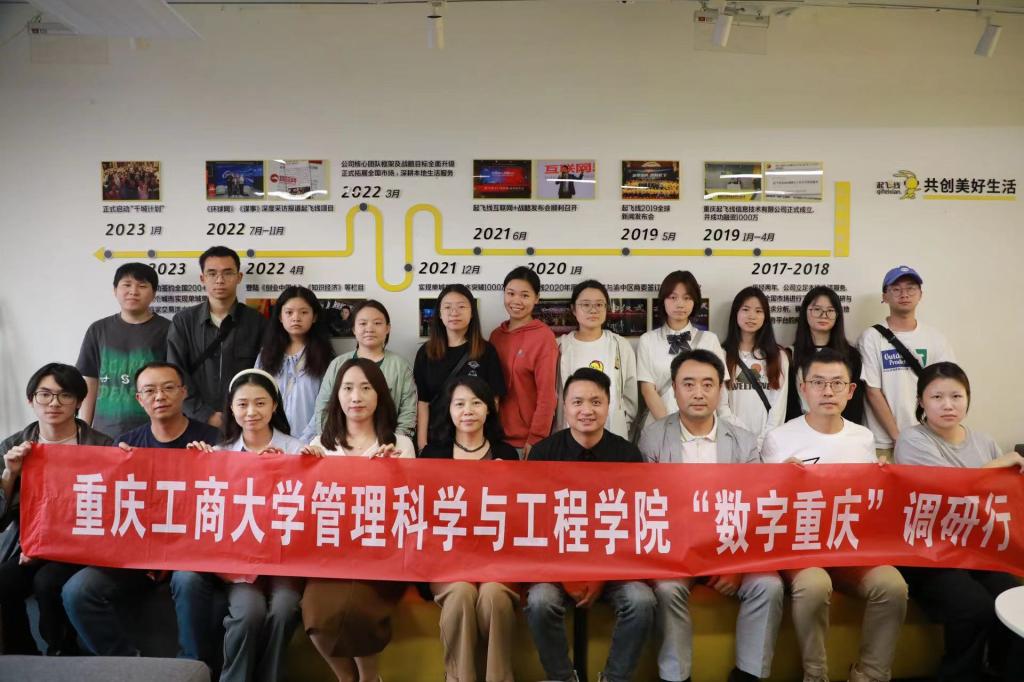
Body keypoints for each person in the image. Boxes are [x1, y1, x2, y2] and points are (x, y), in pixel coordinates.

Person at [762, 349, 908, 682]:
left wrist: (883, 479)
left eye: (837, 383)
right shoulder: (779, 439)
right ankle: (815, 675)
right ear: (803, 388)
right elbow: (766, 506)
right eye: (818, 382)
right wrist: (778, 480)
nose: (827, 391)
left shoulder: (863, 437)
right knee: (814, 586)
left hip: (849, 545)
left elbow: (870, 503)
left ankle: (870, 674)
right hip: (800, 547)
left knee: (892, 586)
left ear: (851, 390)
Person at [639, 349, 782, 682]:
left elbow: (754, 508)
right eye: (688, 384)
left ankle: (748, 675)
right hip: (676, 552)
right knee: (667, 590)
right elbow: (650, 508)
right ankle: (676, 677)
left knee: (769, 586)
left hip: (731, 547)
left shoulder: (743, 441)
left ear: (721, 389)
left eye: (708, 384)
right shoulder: (652, 438)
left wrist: (735, 565)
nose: (698, 393)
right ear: (675, 389)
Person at [61, 362, 220, 657]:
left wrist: (213, 463)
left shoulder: (213, 441)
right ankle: (130, 666)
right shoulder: (126, 446)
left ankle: (193, 668)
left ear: (183, 392)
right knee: (77, 591)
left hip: (191, 552)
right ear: (139, 398)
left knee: (187, 579)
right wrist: (114, 470)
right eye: (149, 390)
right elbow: (111, 509)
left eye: (168, 387)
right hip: (138, 555)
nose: (159, 396)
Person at [895, 362, 1024, 682]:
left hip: (977, 548)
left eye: (956, 396)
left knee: (1013, 600)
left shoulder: (983, 442)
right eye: (937, 397)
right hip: (928, 553)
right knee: (973, 607)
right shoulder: (912, 439)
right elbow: (948, 488)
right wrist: (1000, 463)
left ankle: (1001, 671)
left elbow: (997, 498)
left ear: (968, 398)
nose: (948, 405)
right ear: (921, 401)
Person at [526, 368, 656, 682]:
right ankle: (562, 678)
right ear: (565, 406)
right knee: (540, 602)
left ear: (609, 405)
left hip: (614, 566)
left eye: (596, 402)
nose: (587, 410)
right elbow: (533, 524)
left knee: (642, 601)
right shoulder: (543, 454)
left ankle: (614, 678)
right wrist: (564, 573)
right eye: (578, 402)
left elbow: (633, 525)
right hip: (555, 567)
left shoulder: (627, 455)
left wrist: (601, 574)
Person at [177, 369, 305, 682]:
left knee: (285, 608)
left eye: (260, 403)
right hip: (239, 564)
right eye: (242, 404)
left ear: (274, 406)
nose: (251, 412)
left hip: (285, 561)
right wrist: (197, 465)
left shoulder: (298, 450)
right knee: (249, 613)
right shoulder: (218, 454)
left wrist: (299, 466)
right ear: (231, 408)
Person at [300, 358, 411, 681]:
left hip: (380, 555)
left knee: (358, 609)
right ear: (337, 395)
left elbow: (409, 508)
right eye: (348, 388)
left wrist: (393, 472)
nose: (356, 397)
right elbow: (303, 508)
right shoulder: (320, 445)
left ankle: (369, 677)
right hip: (330, 557)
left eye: (365, 388)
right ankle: (346, 677)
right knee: (317, 615)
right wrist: (306, 471)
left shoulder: (399, 444)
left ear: (380, 395)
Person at [0, 364, 112, 655]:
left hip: (82, 545)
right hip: (30, 546)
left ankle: (62, 653)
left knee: (47, 582)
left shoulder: (102, 445)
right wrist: (10, 474)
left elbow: (110, 509)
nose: (54, 403)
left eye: (65, 395)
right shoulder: (13, 446)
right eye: (45, 394)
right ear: (31, 400)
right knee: (4, 581)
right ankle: (21, 655)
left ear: (79, 401)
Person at [419, 376, 518, 682]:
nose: (468, 411)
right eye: (459, 404)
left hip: (496, 559)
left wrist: (505, 482)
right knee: (461, 593)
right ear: (449, 410)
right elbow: (421, 513)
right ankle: (459, 677)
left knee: (494, 596)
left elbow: (519, 516)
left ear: (489, 409)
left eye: (476, 403)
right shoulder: (432, 455)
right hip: (447, 560)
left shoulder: (507, 454)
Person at [857, 265, 955, 460]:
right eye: (896, 289)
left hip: (928, 439)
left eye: (911, 288)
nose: (904, 294)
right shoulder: (871, 337)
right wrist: (898, 437)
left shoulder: (935, 338)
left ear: (920, 294)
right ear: (885, 296)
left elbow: (947, 388)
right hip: (883, 442)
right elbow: (872, 391)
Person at [167, 245, 267, 429]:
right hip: (192, 422)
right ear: (202, 278)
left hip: (244, 422)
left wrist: (243, 412)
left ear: (239, 277)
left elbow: (264, 373)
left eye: (228, 273)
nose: (220, 280)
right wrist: (205, 415)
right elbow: (175, 373)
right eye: (212, 273)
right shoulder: (184, 321)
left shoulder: (257, 322)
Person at [76, 262, 170, 439]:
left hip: (153, 431)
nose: (133, 291)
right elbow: (90, 379)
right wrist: (85, 428)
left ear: (154, 293)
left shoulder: (168, 330)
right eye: (127, 285)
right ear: (115, 290)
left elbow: (174, 383)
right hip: (104, 431)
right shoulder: (98, 330)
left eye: (142, 286)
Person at [415, 284, 505, 452]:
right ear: (439, 314)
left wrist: (484, 440)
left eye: (461, 307)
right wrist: (422, 444)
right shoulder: (426, 353)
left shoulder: (486, 351)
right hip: (436, 440)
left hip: (474, 439)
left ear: (472, 313)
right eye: (447, 307)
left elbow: (493, 400)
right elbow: (423, 402)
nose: (454, 312)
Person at [637, 270, 730, 431]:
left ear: (695, 301)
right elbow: (647, 389)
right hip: (660, 427)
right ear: (663, 300)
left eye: (687, 298)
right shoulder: (648, 340)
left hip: (703, 428)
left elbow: (719, 389)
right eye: (673, 297)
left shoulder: (709, 340)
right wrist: (671, 428)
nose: (680, 304)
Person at [314, 300, 416, 441]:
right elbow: (323, 407)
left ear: (387, 328)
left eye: (377, 323)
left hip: (388, 445)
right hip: (342, 444)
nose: (370, 329)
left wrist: (395, 443)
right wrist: (333, 442)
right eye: (362, 323)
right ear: (353, 329)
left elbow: (408, 413)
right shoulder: (338, 364)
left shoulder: (401, 366)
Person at [556, 279, 638, 440]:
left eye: (599, 304)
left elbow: (630, 393)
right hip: (569, 435)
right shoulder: (560, 346)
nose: (593, 310)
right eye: (585, 304)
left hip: (612, 434)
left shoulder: (619, 345)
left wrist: (623, 422)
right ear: (573, 309)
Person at [489, 266, 558, 458]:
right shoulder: (496, 336)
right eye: (511, 294)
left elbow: (547, 395)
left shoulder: (544, 337)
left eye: (525, 295)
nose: (516, 301)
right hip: (494, 439)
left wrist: (536, 438)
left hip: (526, 443)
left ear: (537, 298)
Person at [255, 286, 335, 443]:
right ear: (280, 316)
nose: (296, 318)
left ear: (314, 317)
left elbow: (327, 404)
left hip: (310, 443)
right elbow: (255, 395)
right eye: (289, 312)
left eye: (304, 312)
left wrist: (306, 440)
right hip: (270, 441)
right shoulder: (266, 355)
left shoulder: (325, 357)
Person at [785, 286, 865, 425]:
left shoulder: (851, 356)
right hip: (800, 429)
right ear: (805, 312)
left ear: (837, 315)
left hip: (838, 429)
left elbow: (855, 404)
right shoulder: (789, 355)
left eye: (830, 311)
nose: (824, 315)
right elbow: (788, 403)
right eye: (817, 309)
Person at [722, 286, 788, 447]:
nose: (752, 316)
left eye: (759, 311)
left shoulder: (778, 356)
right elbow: (721, 406)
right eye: (745, 309)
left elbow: (778, 406)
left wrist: (762, 441)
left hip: (767, 443)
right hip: (731, 440)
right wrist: (743, 438)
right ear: (735, 313)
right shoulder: (721, 354)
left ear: (765, 317)